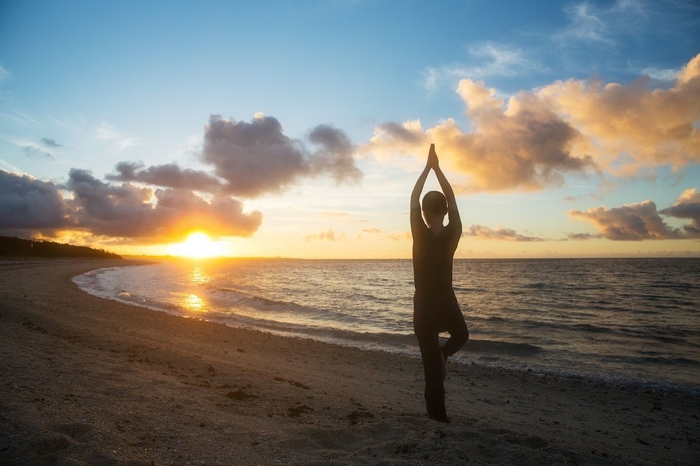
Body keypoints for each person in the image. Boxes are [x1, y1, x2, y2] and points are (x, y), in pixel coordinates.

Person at [410, 143, 469, 422]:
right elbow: (452, 198)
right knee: (461, 335)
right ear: (445, 211)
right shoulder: (452, 232)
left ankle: (438, 417)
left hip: (423, 306)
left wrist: (427, 169)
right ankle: (443, 356)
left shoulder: (419, 233)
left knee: (431, 372)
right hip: (445, 300)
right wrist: (438, 169)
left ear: (423, 212)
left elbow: (413, 198)